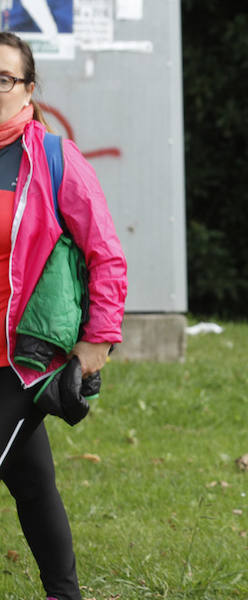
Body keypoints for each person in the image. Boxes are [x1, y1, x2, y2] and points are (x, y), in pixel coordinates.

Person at [0, 32, 127, 600]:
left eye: (3, 79)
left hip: (24, 360)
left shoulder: (52, 158)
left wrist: (97, 341)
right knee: (30, 479)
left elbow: (106, 253)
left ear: (28, 89)